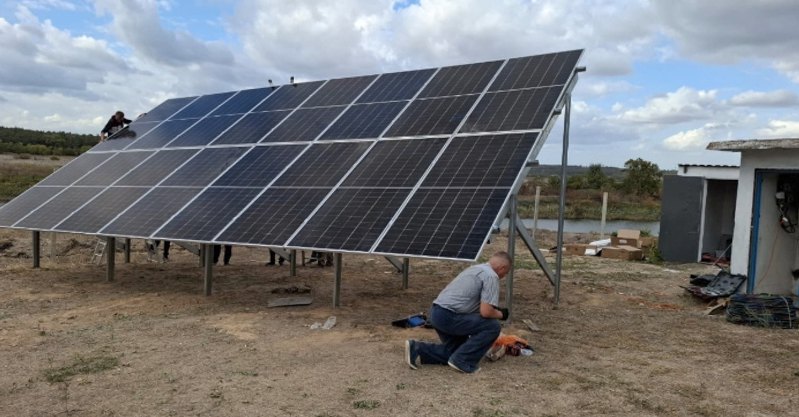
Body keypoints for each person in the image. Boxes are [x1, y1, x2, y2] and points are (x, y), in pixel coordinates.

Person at [404, 251, 512, 374]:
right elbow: (486, 312)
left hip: (436, 313)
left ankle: (417, 348)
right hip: (449, 316)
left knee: (456, 350)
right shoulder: (491, 276)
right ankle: (462, 361)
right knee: (492, 326)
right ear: (502, 268)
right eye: (506, 272)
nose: (504, 275)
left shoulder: (475, 269)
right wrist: (501, 314)